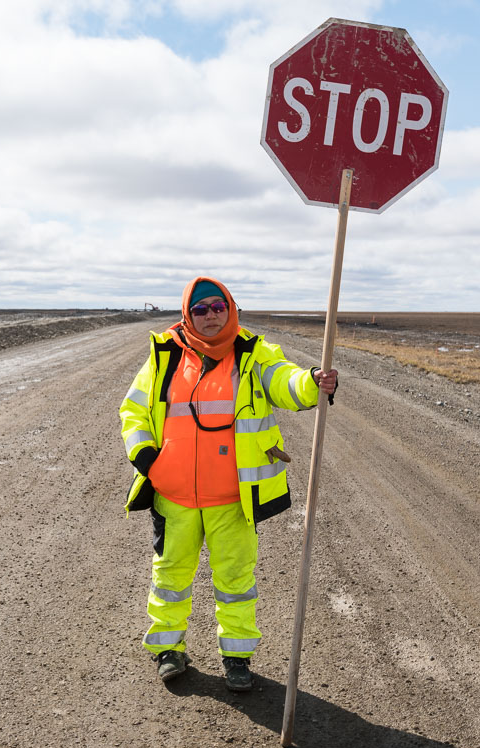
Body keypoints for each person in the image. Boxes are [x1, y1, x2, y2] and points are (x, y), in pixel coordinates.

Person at [119, 277, 338, 691]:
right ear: (187, 314)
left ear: (230, 307)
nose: (211, 315)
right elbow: (133, 410)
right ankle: (169, 650)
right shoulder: (165, 356)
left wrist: (313, 381)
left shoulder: (254, 354)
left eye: (218, 306)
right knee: (169, 578)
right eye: (200, 309)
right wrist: (148, 459)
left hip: (233, 500)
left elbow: (285, 382)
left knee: (236, 582)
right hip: (175, 496)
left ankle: (237, 658)